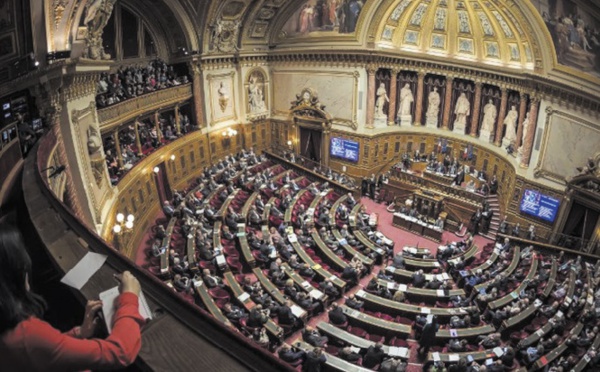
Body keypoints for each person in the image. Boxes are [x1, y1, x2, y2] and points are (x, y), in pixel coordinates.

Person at [0, 225, 145, 371]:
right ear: (15, 272)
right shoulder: (28, 335)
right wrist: (130, 297)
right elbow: (120, 353)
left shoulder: (14, 331)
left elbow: (41, 354)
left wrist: (79, 333)